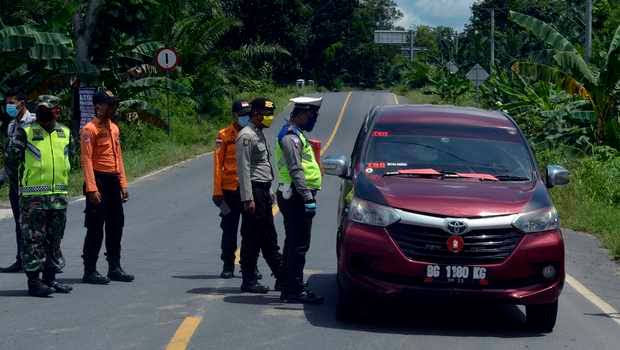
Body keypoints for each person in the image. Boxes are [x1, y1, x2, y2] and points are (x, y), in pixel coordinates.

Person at [7, 95, 73, 297]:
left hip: (58, 197)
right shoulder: (25, 131)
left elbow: (70, 158)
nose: (44, 111)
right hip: (33, 198)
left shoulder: (66, 132)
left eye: (48, 108)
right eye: (41, 108)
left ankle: (50, 279)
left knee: (54, 240)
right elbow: (11, 160)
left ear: (57, 111)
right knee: (33, 240)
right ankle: (34, 282)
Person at [80, 90, 134, 285]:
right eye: (108, 104)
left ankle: (114, 267)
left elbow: (118, 157)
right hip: (98, 180)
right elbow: (86, 160)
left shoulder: (114, 129)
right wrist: (92, 189)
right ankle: (90, 270)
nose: (112, 107)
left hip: (113, 181)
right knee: (95, 228)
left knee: (116, 225)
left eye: (113, 104)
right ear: (98, 106)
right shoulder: (89, 129)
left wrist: (123, 184)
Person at [275, 96, 324, 304]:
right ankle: (293, 290)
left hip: (296, 194)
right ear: (302, 114)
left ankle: (288, 283)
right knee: (299, 244)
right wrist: (307, 198)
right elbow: (295, 170)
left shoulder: (297, 134)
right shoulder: (290, 137)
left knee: (293, 241)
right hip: (296, 195)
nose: (313, 120)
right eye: (311, 115)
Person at [236, 97, 283, 293]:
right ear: (255, 114)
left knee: (266, 236)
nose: (270, 118)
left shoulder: (258, 133)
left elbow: (265, 166)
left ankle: (282, 277)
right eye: (267, 114)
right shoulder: (246, 136)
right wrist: (248, 198)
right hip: (253, 191)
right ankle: (249, 279)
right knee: (253, 237)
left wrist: (269, 191)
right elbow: (244, 168)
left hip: (262, 190)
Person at [212, 100, 252, 278]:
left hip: (248, 191)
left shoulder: (252, 134)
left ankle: (249, 266)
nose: (246, 117)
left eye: (247, 114)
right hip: (228, 191)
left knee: (250, 231)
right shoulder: (224, 135)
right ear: (234, 115)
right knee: (229, 229)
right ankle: (228, 265)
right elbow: (217, 164)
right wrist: (217, 192)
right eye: (242, 114)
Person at [0, 91, 36, 273]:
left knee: (36, 224)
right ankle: (21, 259)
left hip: (32, 183)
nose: (9, 107)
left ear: (22, 103)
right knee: (19, 224)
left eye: (12, 103)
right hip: (16, 184)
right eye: (7, 104)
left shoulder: (36, 122)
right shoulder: (12, 126)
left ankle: (42, 260)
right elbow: (10, 156)